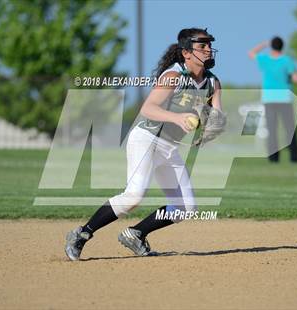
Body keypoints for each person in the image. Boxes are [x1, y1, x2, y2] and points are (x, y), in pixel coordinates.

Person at [65, 28, 222, 260]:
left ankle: (136, 234)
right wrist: (177, 118)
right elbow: (148, 108)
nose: (208, 49)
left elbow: (217, 115)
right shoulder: (173, 76)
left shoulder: (212, 82)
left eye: (209, 45)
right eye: (202, 46)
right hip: (146, 140)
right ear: (187, 53)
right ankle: (81, 234)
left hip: (169, 147)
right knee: (134, 196)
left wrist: (211, 128)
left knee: (185, 208)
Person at [248, 37, 297, 163]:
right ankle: (294, 158)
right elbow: (296, 79)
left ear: (272, 46)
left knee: (272, 129)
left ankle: (273, 159)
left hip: (269, 99)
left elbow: (251, 53)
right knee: (290, 129)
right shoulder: (287, 60)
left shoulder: (265, 59)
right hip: (285, 99)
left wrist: (264, 44)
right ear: (283, 46)